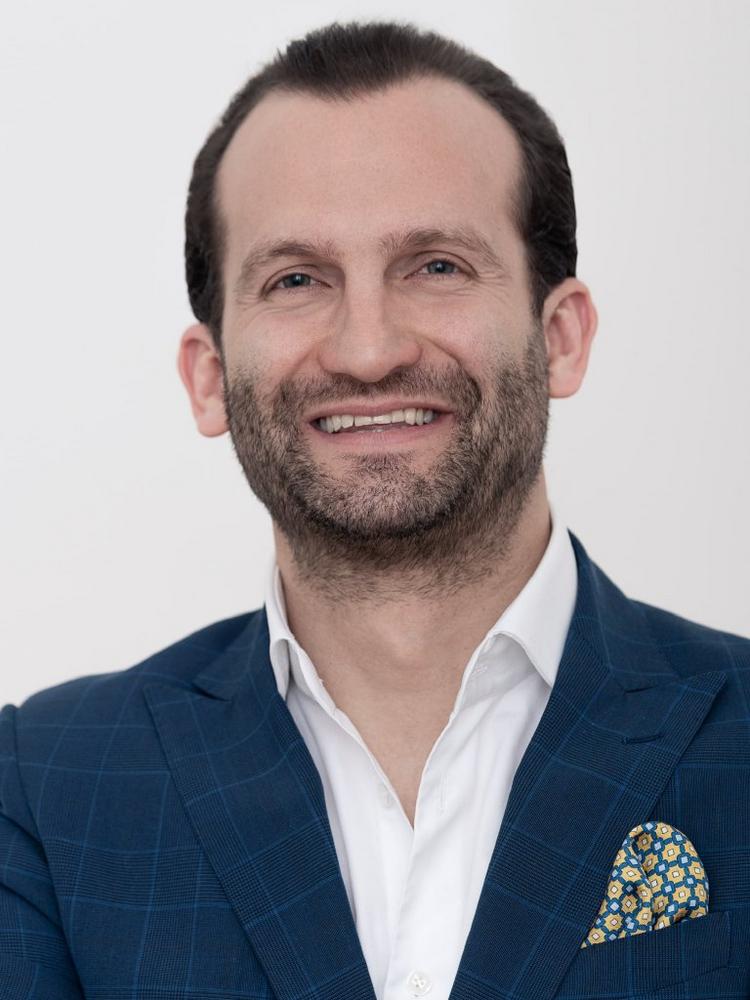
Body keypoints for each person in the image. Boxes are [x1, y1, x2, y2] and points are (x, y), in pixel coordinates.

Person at [1, 19, 747, 1000]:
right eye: (296, 280)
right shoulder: (47, 787)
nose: (367, 349)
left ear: (560, 337)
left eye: (435, 266)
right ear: (209, 377)